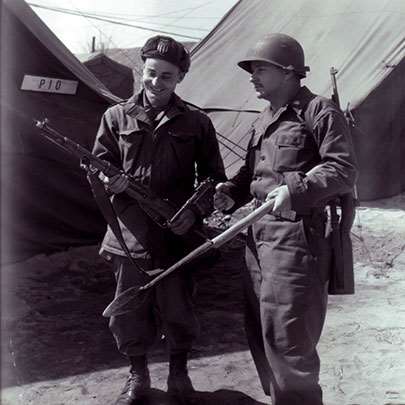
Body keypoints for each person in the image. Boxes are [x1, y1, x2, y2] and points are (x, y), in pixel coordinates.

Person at [214, 33, 358, 405]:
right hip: (257, 243)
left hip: (297, 243)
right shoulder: (264, 118)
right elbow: (253, 174)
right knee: (263, 335)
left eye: (260, 69)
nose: (252, 77)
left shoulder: (320, 111)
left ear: (290, 72)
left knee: (289, 342)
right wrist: (231, 191)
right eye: (252, 70)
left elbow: (342, 169)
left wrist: (296, 188)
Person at [92, 35, 226, 404]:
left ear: (180, 77)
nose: (156, 82)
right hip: (129, 235)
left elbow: (213, 177)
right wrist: (109, 180)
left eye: (166, 76)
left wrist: (195, 213)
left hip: (176, 235)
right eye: (150, 73)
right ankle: (138, 374)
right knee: (127, 311)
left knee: (179, 307)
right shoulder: (115, 116)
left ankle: (178, 370)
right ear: (142, 70)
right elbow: (99, 165)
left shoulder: (197, 122)